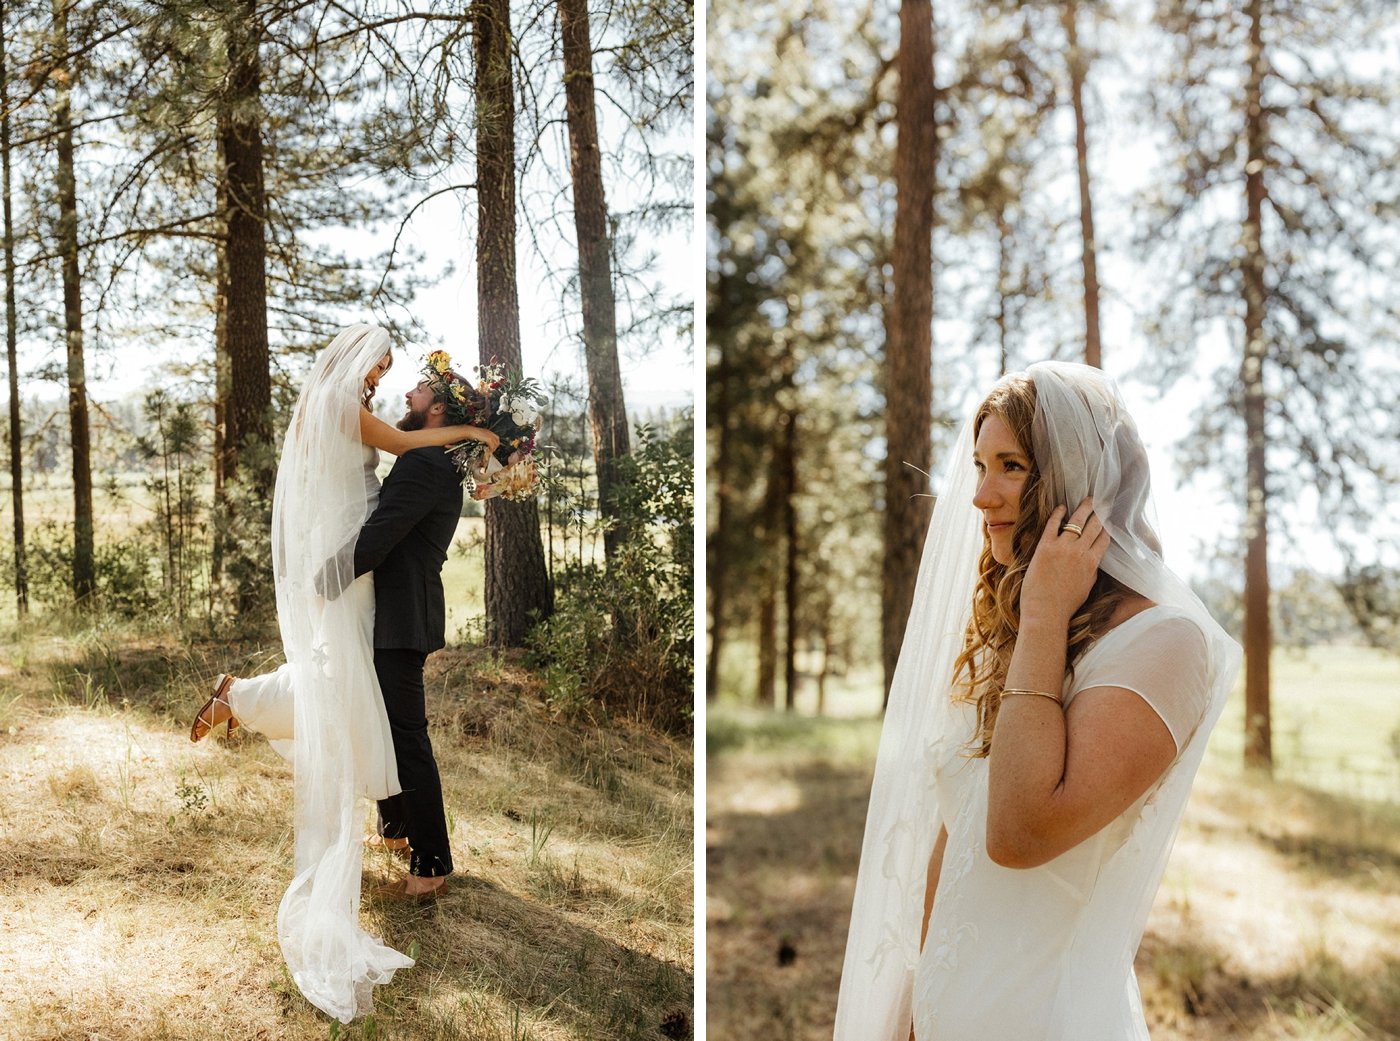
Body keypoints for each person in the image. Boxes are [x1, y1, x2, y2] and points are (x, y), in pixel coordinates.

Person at [833, 362, 1242, 1041]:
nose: (980, 494)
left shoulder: (1166, 643)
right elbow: (956, 832)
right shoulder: (1016, 632)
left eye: (1011, 466)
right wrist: (913, 999)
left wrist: (1047, 616)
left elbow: (1018, 832)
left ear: (1077, 482)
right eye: (978, 464)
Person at [188, 325, 497, 1023]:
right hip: (352, 565)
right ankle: (242, 698)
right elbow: (403, 450)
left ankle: (246, 702)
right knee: (339, 688)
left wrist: (472, 433)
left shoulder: (368, 417)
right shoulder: (346, 407)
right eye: (386, 365)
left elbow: (399, 465)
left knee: (345, 690)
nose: (391, 379)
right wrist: (478, 431)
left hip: (359, 569)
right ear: (360, 355)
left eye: (400, 374)